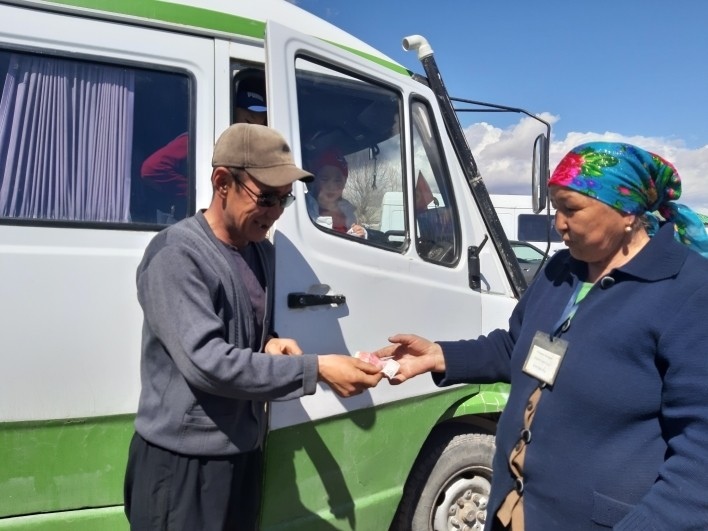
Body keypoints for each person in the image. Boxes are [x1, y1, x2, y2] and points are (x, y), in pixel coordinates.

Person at [374, 142, 708, 530]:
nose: (558, 223)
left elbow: (699, 455)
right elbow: (516, 347)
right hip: (512, 509)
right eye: (554, 208)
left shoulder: (687, 290)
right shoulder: (561, 269)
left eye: (571, 209)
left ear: (627, 212)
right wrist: (439, 356)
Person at [124, 123, 384, 530]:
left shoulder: (259, 251)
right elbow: (208, 363)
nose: (275, 212)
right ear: (222, 183)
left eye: (284, 199)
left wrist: (271, 344)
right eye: (265, 198)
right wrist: (316, 369)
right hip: (183, 464)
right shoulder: (176, 255)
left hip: (240, 452)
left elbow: (243, 333)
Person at [139, 74, 268, 223]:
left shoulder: (256, 149)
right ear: (234, 111)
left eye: (261, 116)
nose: (256, 119)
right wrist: (197, 189)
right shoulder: (203, 138)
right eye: (249, 114)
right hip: (197, 222)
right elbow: (151, 169)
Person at [305, 147, 367, 238]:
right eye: (324, 179)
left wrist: (360, 233)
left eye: (337, 180)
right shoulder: (303, 207)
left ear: (344, 182)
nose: (331, 186)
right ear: (315, 180)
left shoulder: (349, 212)